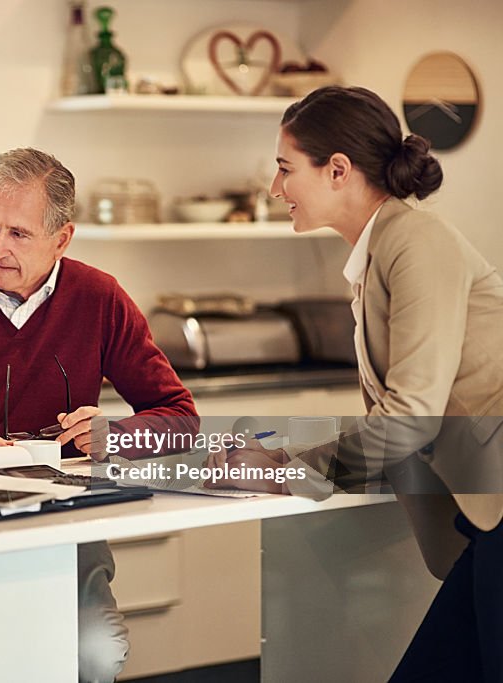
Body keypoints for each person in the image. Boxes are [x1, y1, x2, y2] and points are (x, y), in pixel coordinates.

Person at [207, 86, 503, 681]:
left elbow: (410, 416)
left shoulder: (417, 241)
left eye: (285, 169)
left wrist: (284, 468)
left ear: (338, 170)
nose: (274, 189)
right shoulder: (379, 255)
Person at [0, 147, 198, 682]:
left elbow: (179, 415)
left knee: (97, 656)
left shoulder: (99, 297)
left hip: (63, 521)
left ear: (63, 238)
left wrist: (115, 435)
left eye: (18, 234)